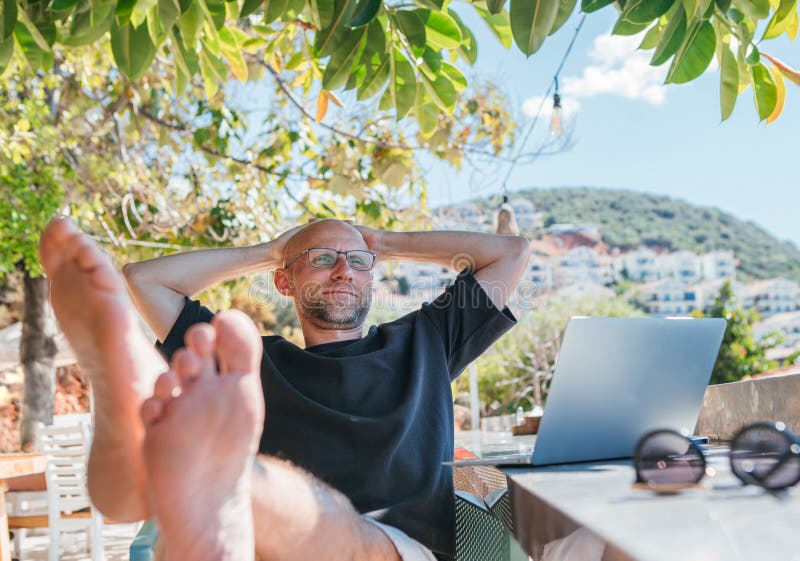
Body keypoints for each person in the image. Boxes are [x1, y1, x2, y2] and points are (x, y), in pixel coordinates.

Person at [39, 216, 530, 561]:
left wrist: (382, 239)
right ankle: (170, 469)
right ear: (284, 282)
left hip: (389, 545)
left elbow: (511, 253)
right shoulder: (247, 361)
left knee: (252, 491)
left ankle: (154, 473)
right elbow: (144, 280)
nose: (343, 270)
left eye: (358, 262)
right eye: (320, 259)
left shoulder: (427, 339)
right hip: (266, 537)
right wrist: (270, 250)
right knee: (238, 491)